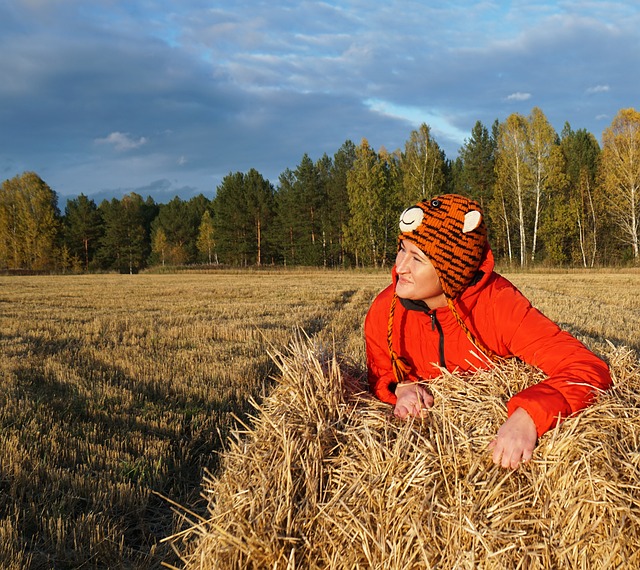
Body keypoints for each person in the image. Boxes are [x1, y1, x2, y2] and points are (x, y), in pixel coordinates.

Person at [365, 194, 612, 470]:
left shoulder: (500, 306)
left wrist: (530, 414)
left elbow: (587, 368)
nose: (399, 267)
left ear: (452, 269)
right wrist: (401, 386)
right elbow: (380, 372)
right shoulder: (384, 311)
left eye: (417, 258)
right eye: (402, 248)